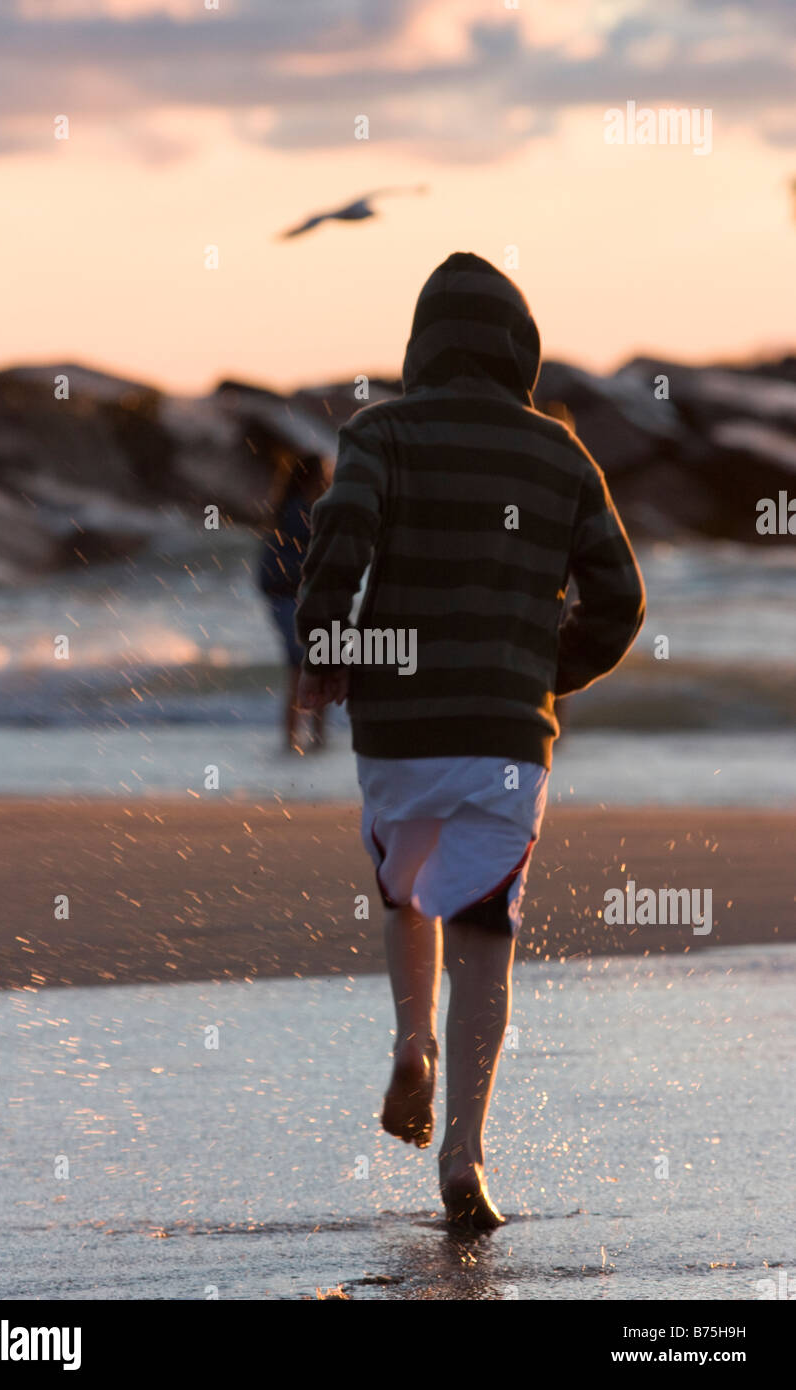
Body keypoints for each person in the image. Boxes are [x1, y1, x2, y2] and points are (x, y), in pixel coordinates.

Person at [294, 252, 645, 1232]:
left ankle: (413, 1042)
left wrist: (327, 641)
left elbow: (342, 536)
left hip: (399, 727)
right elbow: (619, 600)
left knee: (408, 891)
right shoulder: (561, 454)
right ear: (518, 347)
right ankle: (462, 1154)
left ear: (419, 344)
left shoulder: (378, 434)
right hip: (504, 738)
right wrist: (537, 670)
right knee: (485, 932)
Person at [257, 451, 328, 751]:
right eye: (323, 473)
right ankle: (312, 739)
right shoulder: (303, 512)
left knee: (304, 668)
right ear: (311, 476)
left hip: (283, 598)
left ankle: (297, 739)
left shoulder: (285, 509)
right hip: (294, 599)